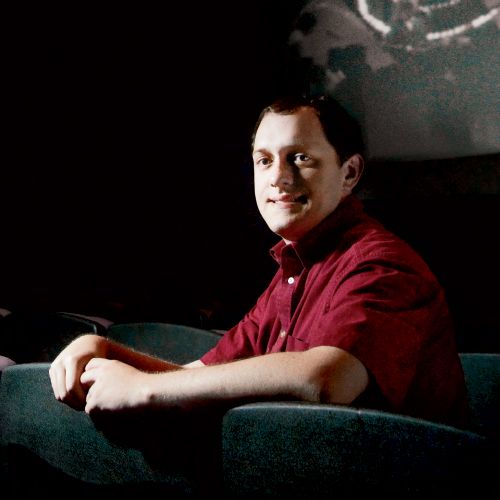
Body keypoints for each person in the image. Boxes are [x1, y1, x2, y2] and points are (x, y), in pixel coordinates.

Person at [49, 94, 469, 428]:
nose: (279, 178)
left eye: (300, 158)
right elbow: (194, 376)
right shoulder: (293, 270)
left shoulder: (383, 265)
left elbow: (325, 379)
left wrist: (143, 389)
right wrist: (106, 351)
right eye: (264, 160)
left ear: (350, 173)